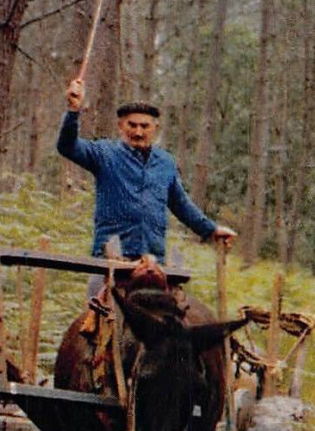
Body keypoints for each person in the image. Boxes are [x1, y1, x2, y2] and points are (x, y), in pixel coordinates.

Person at [57, 78, 236, 296]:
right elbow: (68, 147)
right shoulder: (104, 154)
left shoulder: (166, 162)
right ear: (120, 125)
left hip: (153, 264)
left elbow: (180, 204)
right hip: (110, 260)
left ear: (155, 128)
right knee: (95, 318)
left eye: (145, 126)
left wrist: (212, 230)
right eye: (132, 125)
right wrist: (73, 111)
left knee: (171, 319)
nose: (139, 132)